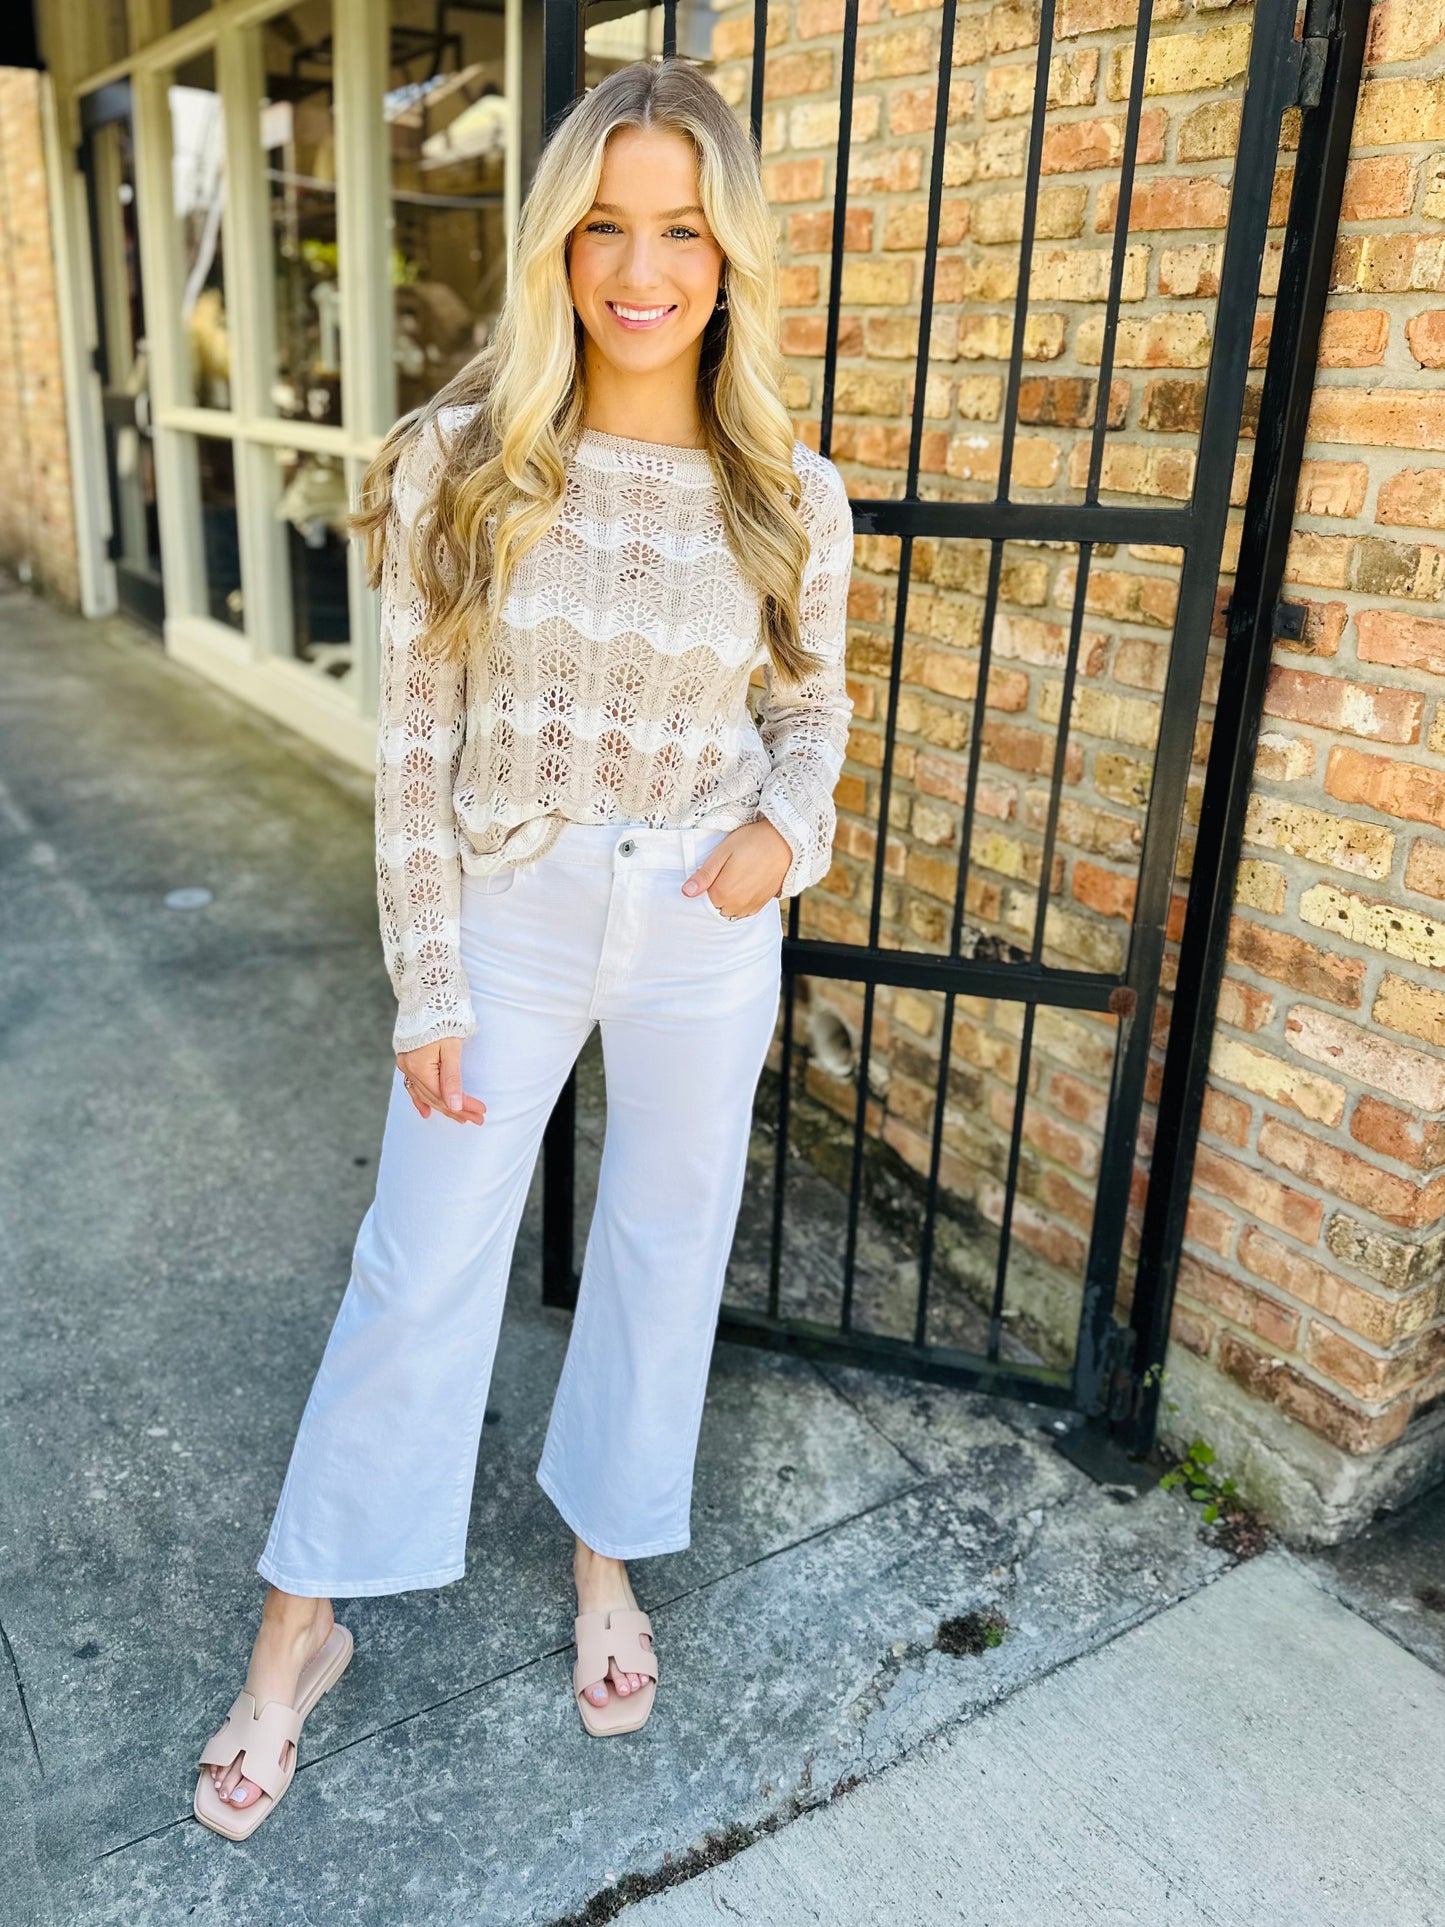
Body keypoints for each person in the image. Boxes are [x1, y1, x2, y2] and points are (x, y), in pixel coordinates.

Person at [194, 55, 854, 1838]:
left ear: (730, 253)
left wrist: (779, 840)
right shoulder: (462, 461)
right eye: (604, 228)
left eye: (682, 232)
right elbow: (413, 742)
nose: (641, 271)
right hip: (512, 910)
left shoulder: (789, 485)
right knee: (417, 1265)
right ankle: (299, 1629)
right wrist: (428, 971)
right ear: (555, 241)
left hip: (702, 919)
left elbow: (809, 707)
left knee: (663, 1246)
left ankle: (605, 1560)